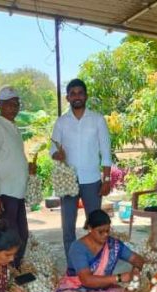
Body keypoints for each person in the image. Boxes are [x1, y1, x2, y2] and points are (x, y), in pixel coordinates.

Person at [50, 79, 113, 260]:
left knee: (96, 223)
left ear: (86, 96)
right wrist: (57, 155)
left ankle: (96, 260)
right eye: (73, 93)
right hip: (68, 181)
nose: (77, 96)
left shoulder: (97, 120)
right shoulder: (62, 122)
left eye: (80, 93)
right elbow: (53, 149)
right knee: (68, 225)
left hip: (92, 180)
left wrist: (106, 180)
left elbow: (105, 151)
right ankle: (73, 264)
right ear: (68, 97)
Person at [54, 210, 146, 292]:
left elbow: (138, 260)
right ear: (90, 228)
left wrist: (136, 271)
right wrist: (119, 278)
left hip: (103, 290)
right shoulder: (78, 248)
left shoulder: (114, 245)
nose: (105, 235)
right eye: (100, 232)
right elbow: (86, 280)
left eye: (107, 230)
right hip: (77, 291)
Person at [0, 86, 35, 268]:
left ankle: (14, 270)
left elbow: (11, 158)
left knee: (22, 235)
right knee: (10, 239)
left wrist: (28, 168)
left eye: (16, 104)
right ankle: (6, 273)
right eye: (9, 104)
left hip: (17, 192)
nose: (13, 108)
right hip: (5, 193)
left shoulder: (13, 128)